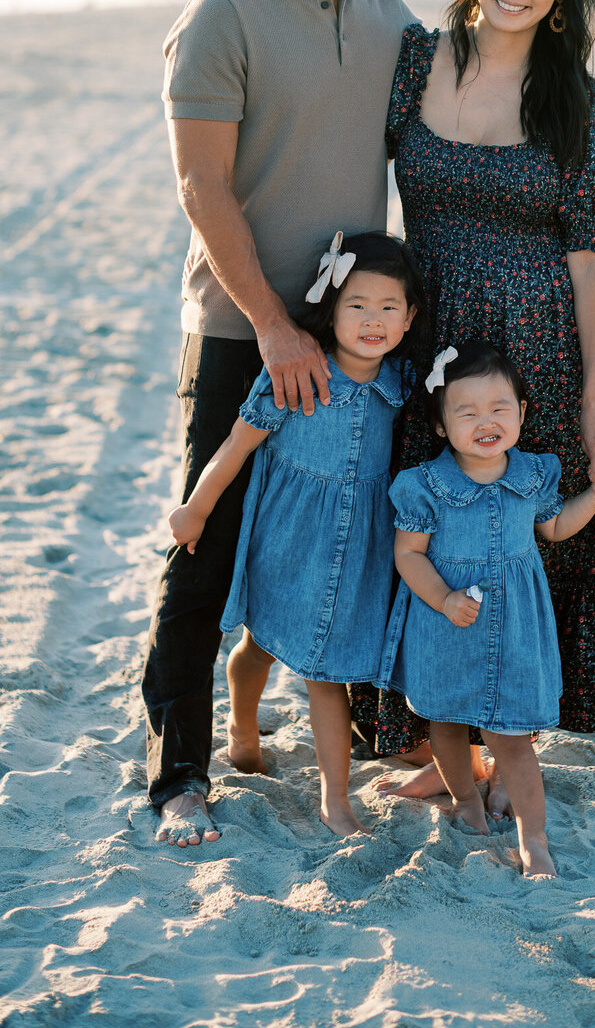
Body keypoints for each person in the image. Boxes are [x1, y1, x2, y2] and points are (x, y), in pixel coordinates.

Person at [142, 0, 595, 849]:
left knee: (411, 538)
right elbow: (201, 185)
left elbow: (520, 97)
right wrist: (275, 324)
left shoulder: (385, 24)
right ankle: (179, 771)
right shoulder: (227, 11)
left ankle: (435, 746)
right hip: (251, 330)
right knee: (212, 547)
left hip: (378, 343)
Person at [356, 0, 595, 813]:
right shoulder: (415, 60)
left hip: (540, 357)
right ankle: (437, 737)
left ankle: (499, 744)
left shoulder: (580, 102)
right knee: (430, 530)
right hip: (432, 336)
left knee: (521, 547)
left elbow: (592, 253)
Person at [165, 233, 426, 836]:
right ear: (329, 308)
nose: (372, 320)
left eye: (390, 308)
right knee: (261, 644)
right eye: (357, 304)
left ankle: (334, 800)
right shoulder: (296, 373)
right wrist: (196, 508)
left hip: (359, 550)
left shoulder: (405, 386)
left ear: (410, 318)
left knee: (327, 672)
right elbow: (234, 447)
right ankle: (243, 728)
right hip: (288, 540)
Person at [379, 343, 595, 877]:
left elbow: (552, 529)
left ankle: (534, 839)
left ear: (522, 413)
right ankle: (464, 797)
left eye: (499, 408)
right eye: (467, 412)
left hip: (514, 626)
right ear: (441, 426)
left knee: (513, 738)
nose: (486, 422)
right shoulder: (424, 486)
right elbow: (407, 553)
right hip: (447, 622)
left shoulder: (532, 475)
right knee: (444, 720)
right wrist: (442, 597)